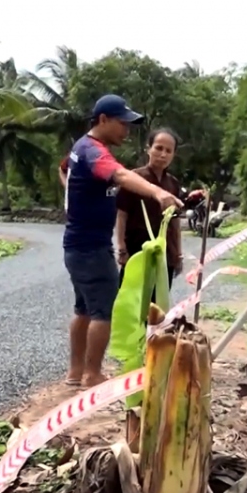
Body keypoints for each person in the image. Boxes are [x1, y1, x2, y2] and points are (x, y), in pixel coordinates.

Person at [63, 95, 182, 388]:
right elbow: (117, 174)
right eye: (122, 123)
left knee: (83, 309)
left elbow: (64, 168)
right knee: (104, 311)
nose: (126, 131)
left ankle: (75, 373)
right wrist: (156, 193)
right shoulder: (93, 151)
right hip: (91, 248)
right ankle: (92, 374)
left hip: (78, 245)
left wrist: (74, 195)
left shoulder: (82, 148)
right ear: (103, 120)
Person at [114, 128, 203, 292]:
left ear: (173, 155)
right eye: (159, 148)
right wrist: (121, 247)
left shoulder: (173, 184)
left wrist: (178, 254)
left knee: (157, 307)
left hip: (164, 256)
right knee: (131, 302)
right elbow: (121, 215)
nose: (163, 154)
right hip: (136, 251)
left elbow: (175, 221)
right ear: (148, 148)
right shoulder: (134, 179)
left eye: (168, 151)